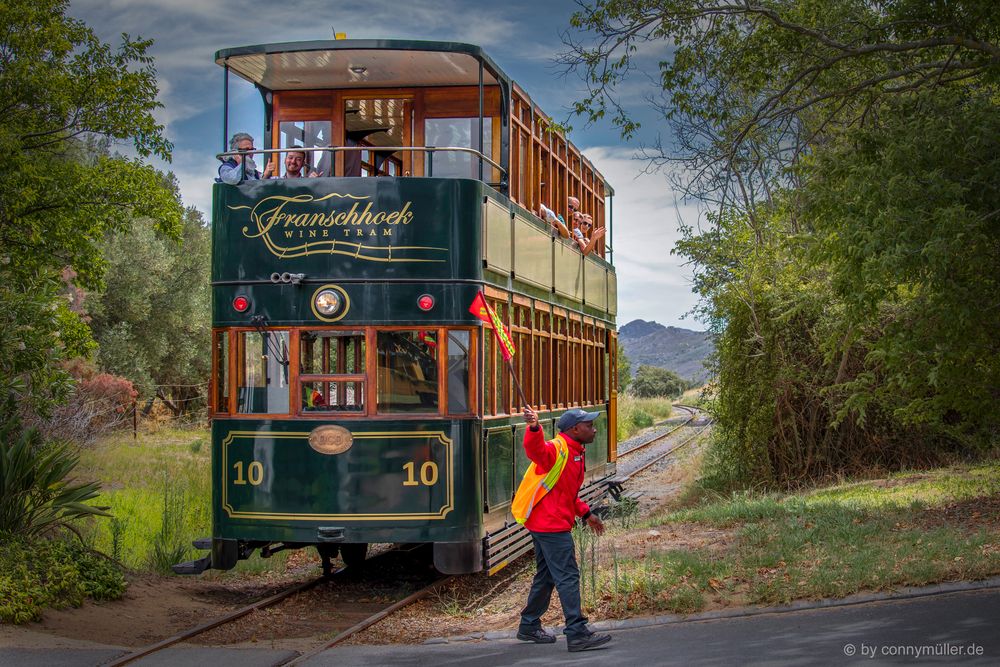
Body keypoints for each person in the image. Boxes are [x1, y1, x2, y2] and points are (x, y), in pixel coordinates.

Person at [513, 406, 613, 653]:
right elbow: (536, 450)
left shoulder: (576, 451)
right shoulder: (557, 449)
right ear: (575, 429)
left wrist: (586, 514)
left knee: (547, 575)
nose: (594, 429)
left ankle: (529, 625)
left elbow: (565, 493)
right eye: (589, 425)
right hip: (550, 525)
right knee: (568, 576)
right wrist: (534, 427)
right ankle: (577, 633)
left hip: (545, 522)